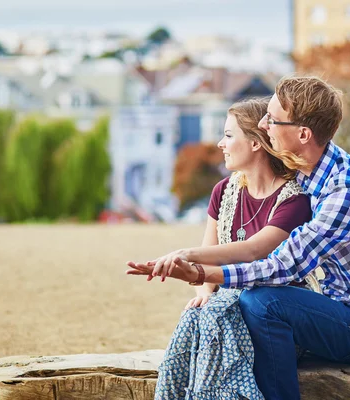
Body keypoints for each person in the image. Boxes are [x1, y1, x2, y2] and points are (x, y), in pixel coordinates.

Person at [127, 76, 350, 400]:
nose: (263, 125)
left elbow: (284, 264)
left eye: (272, 119)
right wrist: (203, 282)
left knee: (264, 302)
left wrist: (200, 272)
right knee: (246, 305)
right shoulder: (310, 171)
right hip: (341, 307)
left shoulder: (346, 193)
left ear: (303, 134)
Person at [128, 97, 317, 399]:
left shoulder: (294, 200)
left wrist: (184, 256)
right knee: (198, 315)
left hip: (276, 317)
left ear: (256, 143)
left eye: (229, 135)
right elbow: (208, 262)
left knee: (218, 315)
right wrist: (202, 293)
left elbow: (253, 250)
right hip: (230, 307)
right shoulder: (224, 191)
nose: (220, 143)